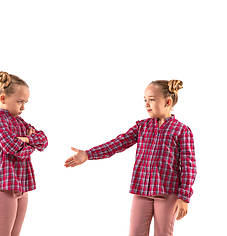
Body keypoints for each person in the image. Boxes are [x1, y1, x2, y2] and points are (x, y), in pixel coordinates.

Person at [65, 80, 196, 236]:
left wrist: (184, 197)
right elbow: (117, 143)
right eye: (145, 100)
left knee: (163, 233)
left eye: (152, 100)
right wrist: (88, 154)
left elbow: (189, 166)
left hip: (167, 193)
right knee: (135, 233)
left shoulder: (182, 130)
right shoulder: (142, 127)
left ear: (168, 102)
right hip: (141, 191)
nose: (147, 104)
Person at [0, 71, 48, 236]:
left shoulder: (19, 121)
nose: (23, 107)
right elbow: (13, 148)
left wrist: (26, 140)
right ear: (3, 98)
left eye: (25, 102)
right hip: (2, 186)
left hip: (21, 185)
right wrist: (31, 141)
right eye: (20, 101)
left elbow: (44, 140)